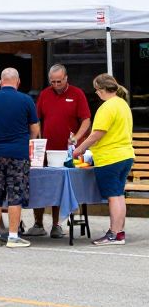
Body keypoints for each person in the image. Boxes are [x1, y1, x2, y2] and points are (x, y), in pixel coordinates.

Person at [0, 68, 40, 249]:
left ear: (0, 82)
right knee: (15, 194)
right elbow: (35, 129)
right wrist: (25, 141)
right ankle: (13, 236)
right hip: (18, 154)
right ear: (18, 82)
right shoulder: (26, 100)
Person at [73, 73, 134, 246]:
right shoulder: (122, 104)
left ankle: (113, 234)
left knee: (113, 196)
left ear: (101, 90)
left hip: (109, 157)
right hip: (125, 155)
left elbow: (97, 133)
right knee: (119, 195)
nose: (96, 93)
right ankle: (119, 232)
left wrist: (79, 149)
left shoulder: (107, 107)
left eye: (96, 90)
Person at [32, 64, 91, 238]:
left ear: (66, 78)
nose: (56, 85)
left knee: (59, 188)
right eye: (53, 82)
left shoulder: (77, 94)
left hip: (67, 151)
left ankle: (56, 224)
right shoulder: (45, 94)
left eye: (59, 81)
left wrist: (77, 137)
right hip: (46, 149)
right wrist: (37, 139)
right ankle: (38, 223)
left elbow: (86, 120)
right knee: (40, 185)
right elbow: (36, 119)